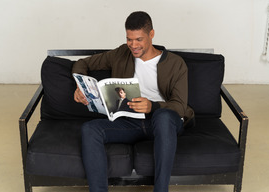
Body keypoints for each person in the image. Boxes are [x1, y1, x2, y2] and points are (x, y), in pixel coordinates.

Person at [73, 11, 194, 192]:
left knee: (163, 117)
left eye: (139, 39)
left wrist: (152, 106)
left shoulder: (176, 64)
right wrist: (81, 86)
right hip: (130, 122)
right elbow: (84, 62)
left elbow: (179, 106)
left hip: (162, 123)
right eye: (129, 39)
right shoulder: (122, 53)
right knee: (90, 129)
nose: (133, 45)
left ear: (151, 34)